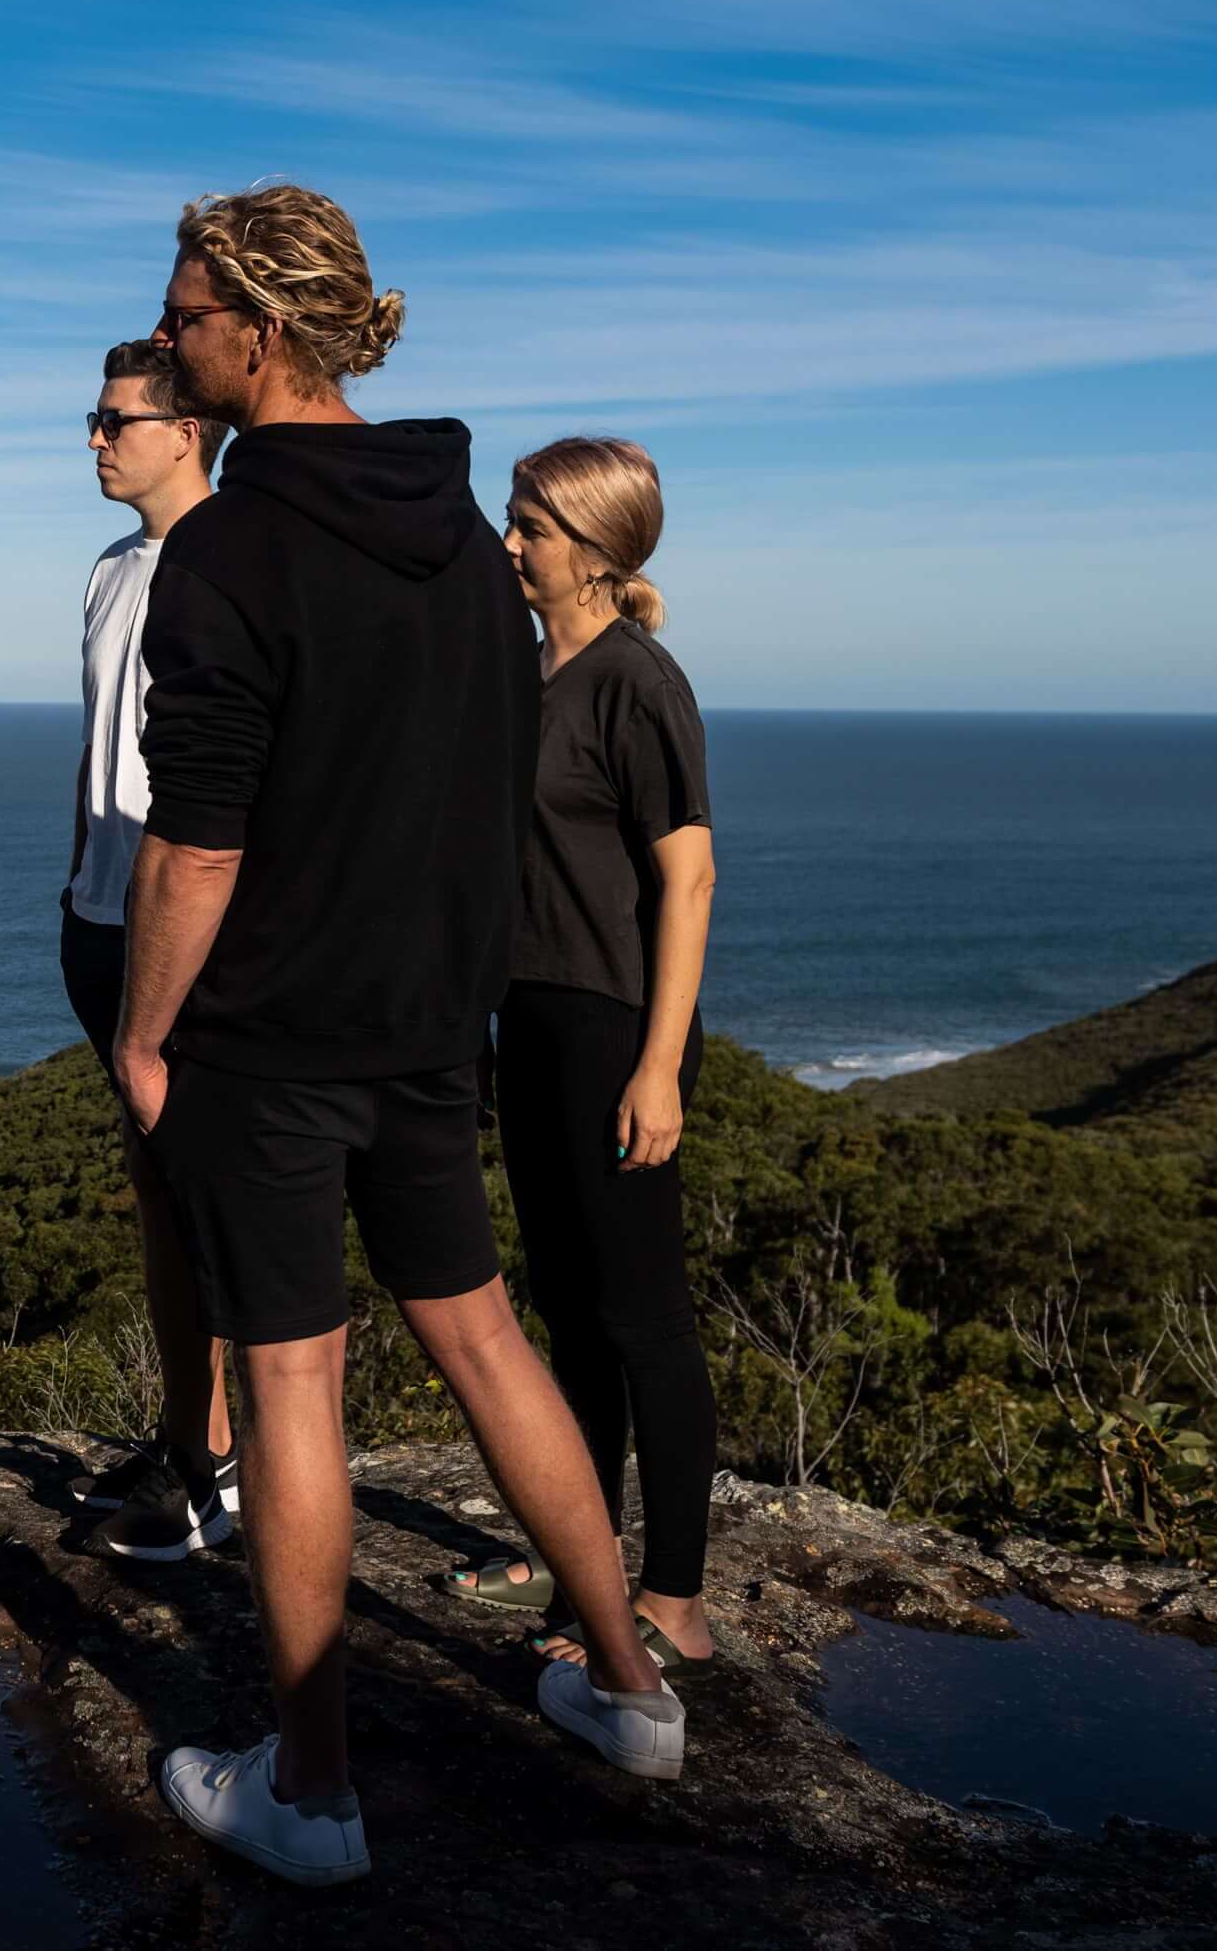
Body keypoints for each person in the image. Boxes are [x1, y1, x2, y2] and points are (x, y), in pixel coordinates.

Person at [112, 188, 681, 1888]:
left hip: (275, 1030)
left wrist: (148, 1033)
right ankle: (633, 1688)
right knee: (488, 1341)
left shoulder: (228, 546)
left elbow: (196, 839)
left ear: (261, 335)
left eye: (186, 314)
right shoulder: (460, 539)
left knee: (294, 1375)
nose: (167, 340)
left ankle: (314, 1788)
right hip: (435, 1024)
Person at [463, 437, 722, 1675]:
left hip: (612, 1026)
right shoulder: (527, 674)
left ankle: (674, 1596)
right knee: (566, 1311)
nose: (510, 543)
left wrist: (658, 1064)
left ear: (598, 549)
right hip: (529, 1018)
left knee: (643, 1321)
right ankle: (578, 1552)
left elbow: (688, 876)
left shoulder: (636, 682)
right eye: (511, 522)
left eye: (531, 527)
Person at [59, 344, 241, 1561]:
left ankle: (215, 1472)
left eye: (114, 419)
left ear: (185, 430)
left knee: (206, 1203)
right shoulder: (111, 569)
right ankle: (192, 1440)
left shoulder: (237, 567)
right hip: (100, 914)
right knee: (155, 1197)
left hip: (189, 932)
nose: (93, 438)